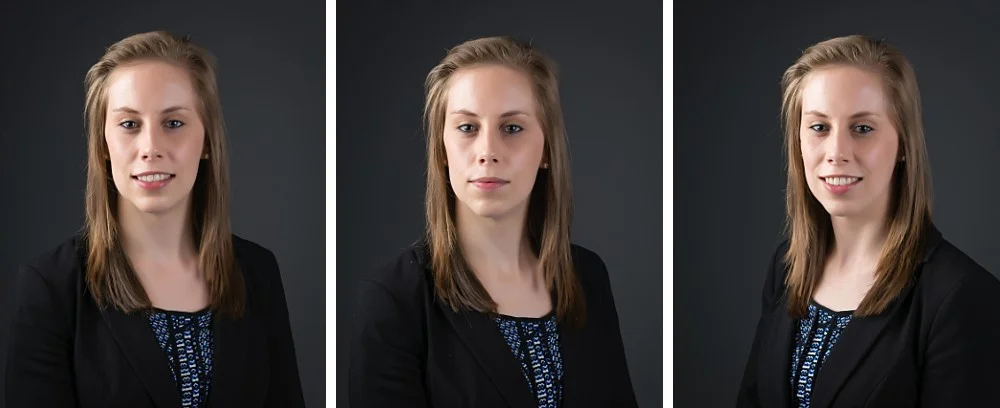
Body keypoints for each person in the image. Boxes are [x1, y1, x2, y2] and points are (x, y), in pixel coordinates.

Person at [4, 31, 305, 407]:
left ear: (207, 141)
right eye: (129, 124)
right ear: (103, 145)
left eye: (174, 123)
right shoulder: (52, 287)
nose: (151, 148)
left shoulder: (257, 271)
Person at [348, 36, 638, 408]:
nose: (488, 152)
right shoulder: (395, 301)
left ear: (546, 149)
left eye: (512, 128)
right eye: (467, 128)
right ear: (442, 148)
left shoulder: (588, 276)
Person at [736, 35, 1000, 407]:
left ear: (904, 143)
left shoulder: (961, 296)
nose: (837, 153)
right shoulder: (786, 267)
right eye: (819, 127)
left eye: (862, 128)